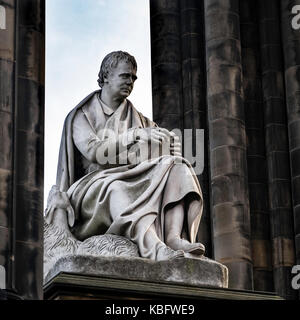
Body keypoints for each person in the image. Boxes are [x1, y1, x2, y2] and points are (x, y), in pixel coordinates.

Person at [45, 51, 205, 261]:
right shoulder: (81, 115)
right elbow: (94, 151)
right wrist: (134, 135)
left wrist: (170, 148)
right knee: (118, 189)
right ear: (106, 77)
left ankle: (173, 236)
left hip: (135, 177)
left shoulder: (143, 121)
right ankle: (154, 248)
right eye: (125, 76)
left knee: (179, 166)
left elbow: (152, 158)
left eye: (133, 77)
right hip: (91, 188)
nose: (130, 82)